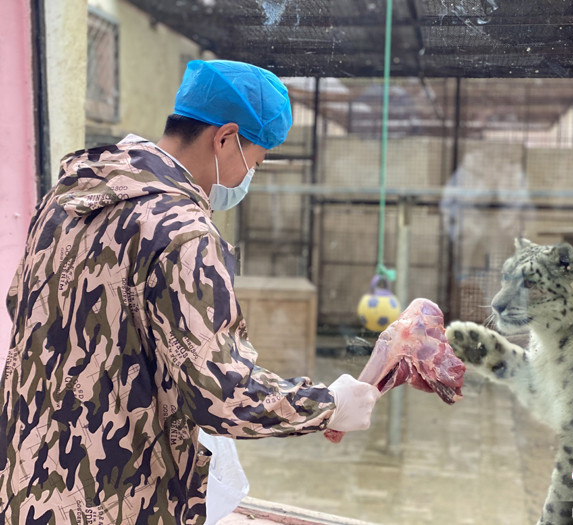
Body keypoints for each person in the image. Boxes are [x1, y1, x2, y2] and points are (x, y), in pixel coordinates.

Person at [0, 59, 380, 524]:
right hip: (111, 503)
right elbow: (224, 392)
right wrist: (329, 405)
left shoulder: (68, 195)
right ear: (225, 138)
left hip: (26, 486)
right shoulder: (182, 231)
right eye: (254, 162)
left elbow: (24, 307)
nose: (246, 179)